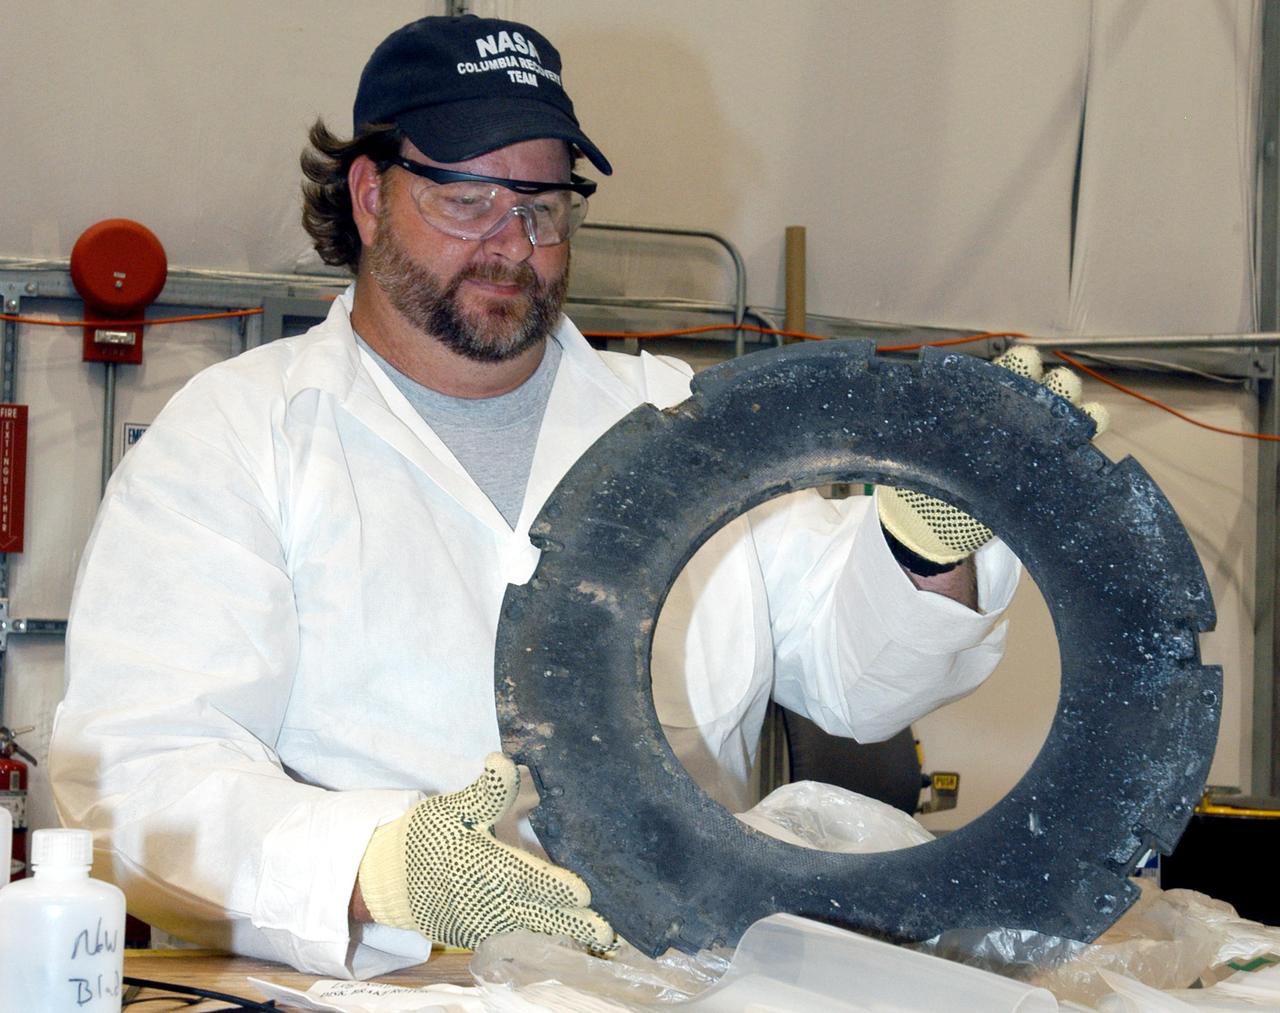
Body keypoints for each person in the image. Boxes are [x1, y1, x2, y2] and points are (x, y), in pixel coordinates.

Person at [48, 13, 1068, 979]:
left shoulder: (677, 422)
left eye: (541, 208)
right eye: (466, 200)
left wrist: (928, 546)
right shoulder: (240, 435)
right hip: (381, 983)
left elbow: (857, 678)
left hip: (668, 978)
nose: (511, 245)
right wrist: (369, 865)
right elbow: (138, 771)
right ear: (367, 196)